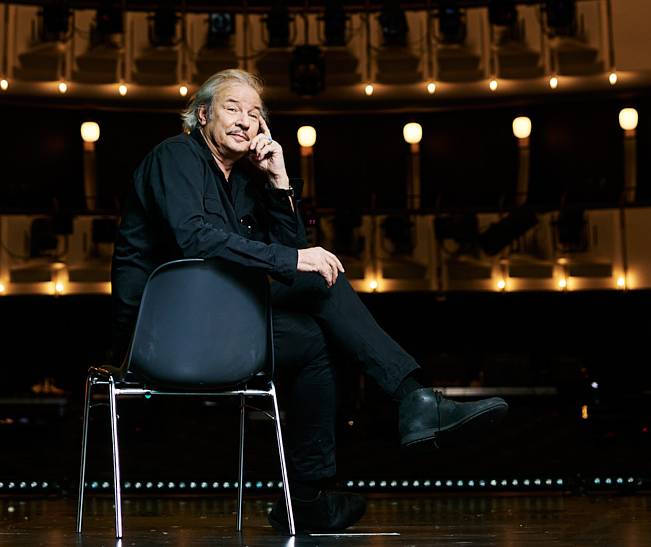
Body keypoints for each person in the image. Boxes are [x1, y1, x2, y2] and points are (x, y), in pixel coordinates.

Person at [111, 69, 507, 533]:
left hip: (221, 322)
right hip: (163, 334)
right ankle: (413, 401)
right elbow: (195, 239)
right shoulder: (175, 156)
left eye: (255, 115)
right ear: (202, 116)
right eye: (233, 109)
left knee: (314, 337)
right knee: (318, 278)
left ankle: (307, 497)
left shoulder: (244, 181)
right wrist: (297, 259)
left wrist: (278, 182)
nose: (245, 121)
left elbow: (294, 248)